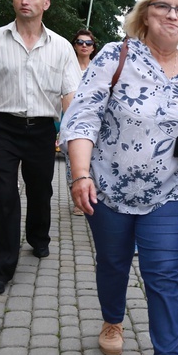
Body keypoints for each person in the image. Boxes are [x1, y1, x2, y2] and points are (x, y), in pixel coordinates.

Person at [60, 0, 178, 355]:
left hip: (170, 192)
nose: (172, 15)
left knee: (163, 273)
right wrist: (81, 174)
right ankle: (112, 320)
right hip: (108, 186)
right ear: (145, 13)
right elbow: (83, 117)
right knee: (113, 263)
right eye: (163, 5)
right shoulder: (115, 56)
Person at [0, 0, 80, 295]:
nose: (25, 0)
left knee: (40, 190)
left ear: (45, 4)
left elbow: (70, 95)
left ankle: (38, 237)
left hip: (43, 130)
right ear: (13, 0)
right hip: (3, 127)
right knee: (4, 195)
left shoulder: (60, 47)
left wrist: (69, 137)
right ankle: (0, 268)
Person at [68, 29, 98, 215]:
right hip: (70, 118)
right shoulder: (68, 68)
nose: (84, 46)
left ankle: (89, 196)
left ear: (93, 48)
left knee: (91, 160)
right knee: (72, 161)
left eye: (88, 43)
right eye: (80, 42)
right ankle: (77, 198)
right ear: (74, 45)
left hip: (92, 120)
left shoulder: (99, 68)